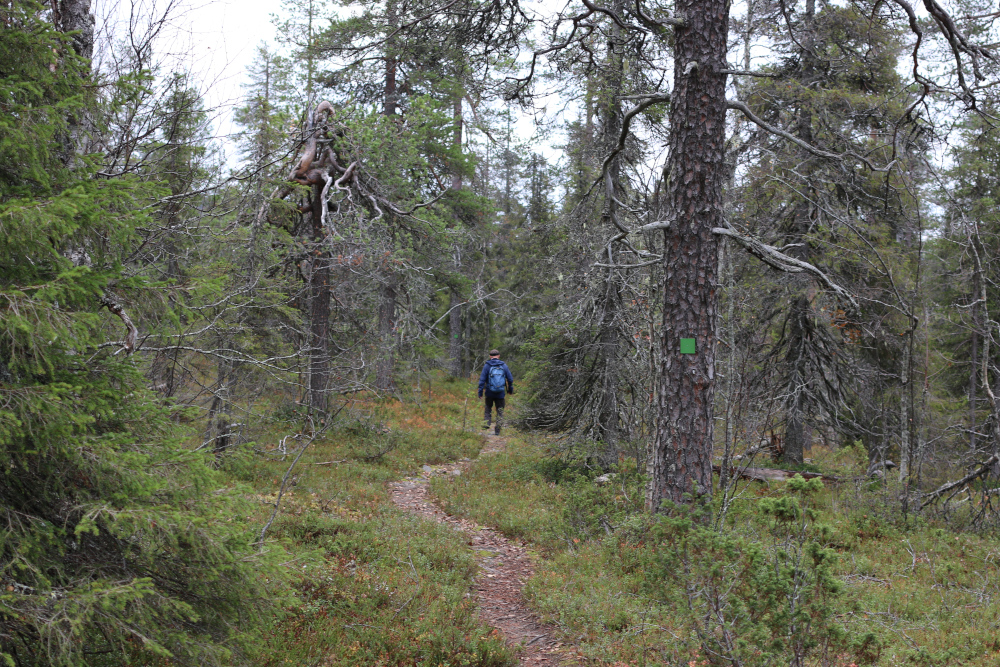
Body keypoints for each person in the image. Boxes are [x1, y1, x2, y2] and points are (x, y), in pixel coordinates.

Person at [478, 349, 513, 435]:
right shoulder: (503, 365)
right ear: (499, 356)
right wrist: (510, 390)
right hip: (500, 393)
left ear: (490, 356)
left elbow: (482, 380)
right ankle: (497, 430)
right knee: (500, 411)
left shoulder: (487, 366)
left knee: (488, 408)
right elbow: (510, 379)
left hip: (489, 392)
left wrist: (480, 392)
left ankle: (486, 424)